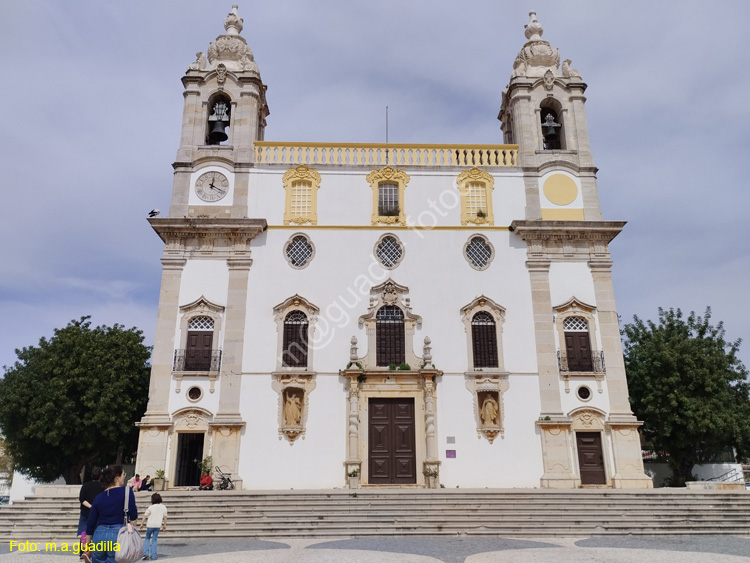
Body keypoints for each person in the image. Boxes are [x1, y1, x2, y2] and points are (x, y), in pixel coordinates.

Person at [86, 465, 137, 563]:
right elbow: (133, 517)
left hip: (99, 535)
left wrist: (87, 544)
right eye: (123, 474)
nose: (124, 477)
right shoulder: (126, 491)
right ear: (117, 477)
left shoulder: (99, 497)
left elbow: (91, 522)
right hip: (118, 534)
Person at [77, 467, 105, 562]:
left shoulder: (85, 486)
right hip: (98, 513)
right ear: (100, 476)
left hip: (85, 513)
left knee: (83, 533)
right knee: (97, 533)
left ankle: (83, 552)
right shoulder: (103, 487)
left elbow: (82, 499)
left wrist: (90, 506)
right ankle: (95, 553)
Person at [139, 493, 167, 560]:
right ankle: (153, 555)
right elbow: (165, 517)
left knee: (147, 538)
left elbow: (145, 515)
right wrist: (164, 525)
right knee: (154, 540)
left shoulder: (151, 507)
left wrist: (142, 523)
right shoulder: (163, 507)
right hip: (157, 525)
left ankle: (146, 553)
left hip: (150, 525)